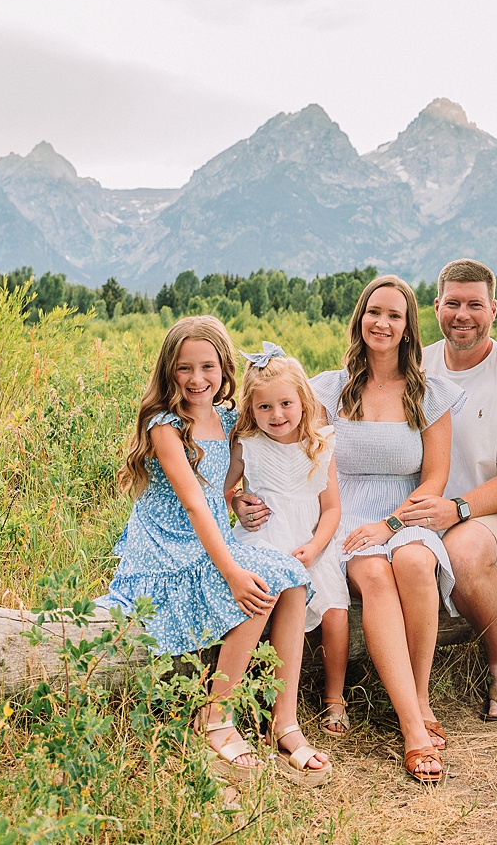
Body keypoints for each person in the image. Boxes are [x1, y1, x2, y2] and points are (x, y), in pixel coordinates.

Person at [100, 316, 331, 786]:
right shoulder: (165, 426)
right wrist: (232, 573)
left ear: (225, 368)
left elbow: (221, 487)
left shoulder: (227, 420)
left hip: (207, 541)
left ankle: (284, 721)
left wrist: (238, 500)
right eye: (184, 368)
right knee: (259, 584)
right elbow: (191, 502)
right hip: (166, 550)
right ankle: (217, 716)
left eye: (208, 367)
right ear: (169, 370)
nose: (197, 379)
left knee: (289, 577)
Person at [304, 275, 463, 784]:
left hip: (405, 512)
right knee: (374, 574)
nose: (383, 322)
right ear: (360, 318)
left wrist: (390, 524)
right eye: (375, 312)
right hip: (344, 511)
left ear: (408, 327)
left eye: (395, 315)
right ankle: (414, 730)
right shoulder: (328, 389)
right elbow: (307, 459)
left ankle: (418, 696)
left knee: (414, 561)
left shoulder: (429, 393)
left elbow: (435, 478)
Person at [402, 258, 497, 721]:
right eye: (454, 303)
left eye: (475, 305)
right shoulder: (415, 366)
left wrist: (457, 509)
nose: (463, 315)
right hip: (423, 510)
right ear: (436, 306)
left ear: (493, 310)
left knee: (461, 552)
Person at [222, 343, 351, 736]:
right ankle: (257, 695)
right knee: (266, 599)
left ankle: (335, 698)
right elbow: (225, 493)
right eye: (264, 407)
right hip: (264, 541)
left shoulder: (319, 443)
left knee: (335, 612)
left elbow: (332, 509)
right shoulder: (247, 444)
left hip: (312, 544)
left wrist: (315, 547)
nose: (276, 415)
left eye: (285, 404)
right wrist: (237, 502)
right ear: (251, 409)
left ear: (302, 402)